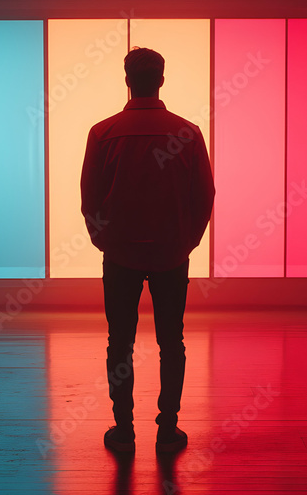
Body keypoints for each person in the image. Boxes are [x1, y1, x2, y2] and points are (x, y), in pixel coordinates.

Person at [80, 47, 215, 453]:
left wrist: (104, 240)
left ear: (127, 81)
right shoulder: (187, 133)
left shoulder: (103, 133)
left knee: (119, 342)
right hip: (171, 254)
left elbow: (90, 197)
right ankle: (167, 429)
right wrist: (187, 240)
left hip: (120, 253)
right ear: (161, 80)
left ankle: (124, 430)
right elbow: (204, 195)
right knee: (171, 342)